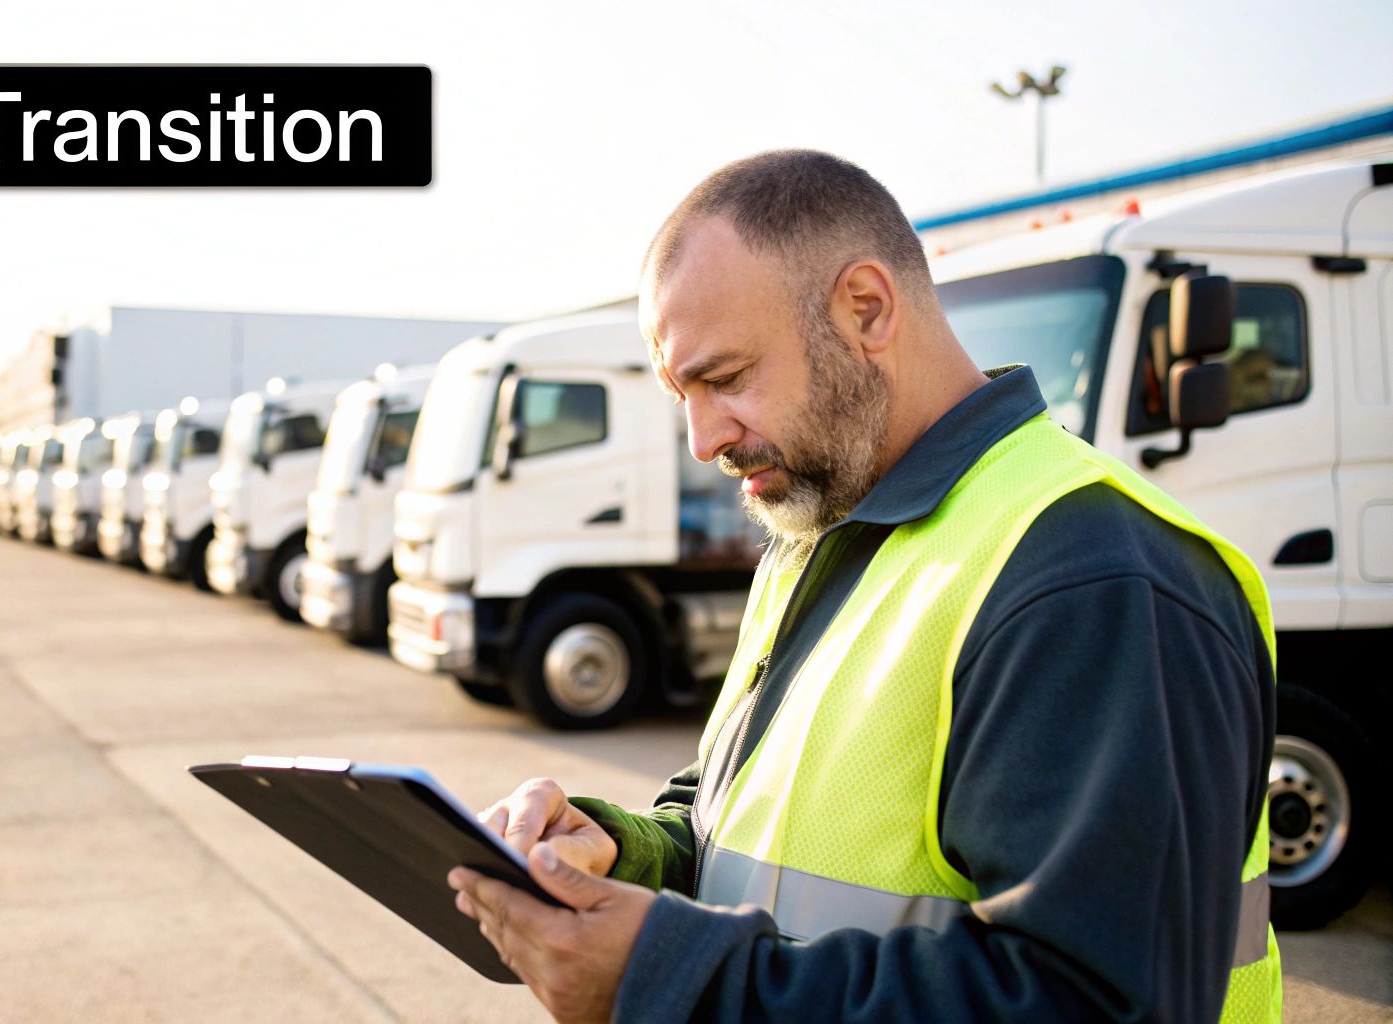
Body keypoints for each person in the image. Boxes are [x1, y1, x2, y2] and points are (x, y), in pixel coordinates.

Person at [446, 150, 1279, 1023]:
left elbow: (1092, 1001)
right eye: (681, 391)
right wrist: (623, 856)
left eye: (726, 379)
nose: (701, 439)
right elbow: (730, 824)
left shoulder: (1090, 579)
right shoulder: (815, 541)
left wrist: (678, 981)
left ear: (866, 310)